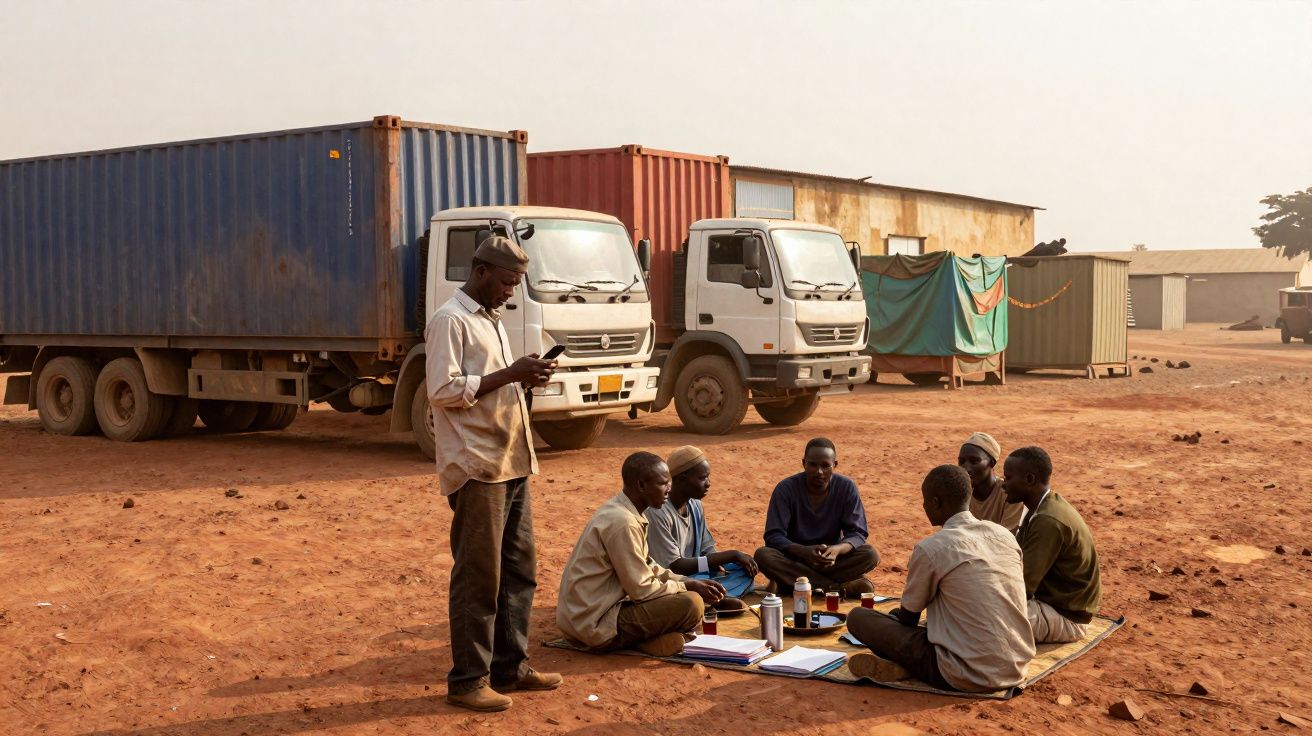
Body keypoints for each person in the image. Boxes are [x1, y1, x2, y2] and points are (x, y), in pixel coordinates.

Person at [426, 236, 561, 713]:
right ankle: (467, 681)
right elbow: (443, 389)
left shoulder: (491, 320)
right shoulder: (451, 321)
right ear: (481, 271)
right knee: (479, 577)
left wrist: (524, 375)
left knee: (519, 572)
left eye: (517, 284)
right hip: (477, 467)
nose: (511, 292)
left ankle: (511, 667)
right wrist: (509, 374)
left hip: (512, 461)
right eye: (507, 282)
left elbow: (485, 386)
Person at [846, 465, 1035, 692]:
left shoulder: (932, 548)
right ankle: (904, 668)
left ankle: (907, 669)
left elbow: (908, 620)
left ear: (935, 502)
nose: (924, 507)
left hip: (963, 672)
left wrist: (894, 617)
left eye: (925, 501)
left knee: (858, 618)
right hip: (1016, 666)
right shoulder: (1004, 535)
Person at [557, 452, 727, 657]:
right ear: (641, 485)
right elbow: (642, 589)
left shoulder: (626, 511)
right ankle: (635, 641)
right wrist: (685, 587)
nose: (669, 489)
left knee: (690, 596)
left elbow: (649, 566)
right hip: (593, 623)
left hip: (589, 614)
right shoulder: (624, 522)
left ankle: (649, 639)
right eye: (663, 483)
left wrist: (689, 582)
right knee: (692, 604)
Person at [1002, 446, 1102, 644]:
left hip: (1067, 617)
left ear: (1029, 480)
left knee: (981, 617)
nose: (1003, 485)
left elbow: (1022, 586)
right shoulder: (1043, 507)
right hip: (1054, 603)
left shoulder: (1048, 520)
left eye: (1008, 478)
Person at [754, 438, 878, 597]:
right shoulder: (785, 489)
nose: (819, 471)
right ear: (804, 463)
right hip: (795, 559)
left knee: (870, 554)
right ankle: (835, 588)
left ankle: (795, 584)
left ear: (835, 465)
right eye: (813, 464)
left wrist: (836, 550)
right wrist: (804, 552)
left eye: (825, 465)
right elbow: (773, 536)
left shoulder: (846, 487)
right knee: (763, 555)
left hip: (830, 561)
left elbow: (858, 533)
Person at [644, 445, 759, 600]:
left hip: (699, 574)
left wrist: (722, 564)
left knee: (743, 570)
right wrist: (732, 555)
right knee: (689, 591)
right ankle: (714, 598)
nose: (708, 483)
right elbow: (674, 567)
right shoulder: (658, 511)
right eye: (702, 478)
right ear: (682, 479)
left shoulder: (695, 505)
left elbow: (707, 549)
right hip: (675, 579)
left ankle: (715, 597)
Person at [957, 432, 1026, 534]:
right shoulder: (959, 494)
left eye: (974, 461)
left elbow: (1005, 539)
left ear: (992, 463)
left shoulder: (1011, 495)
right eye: (961, 461)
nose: (966, 468)